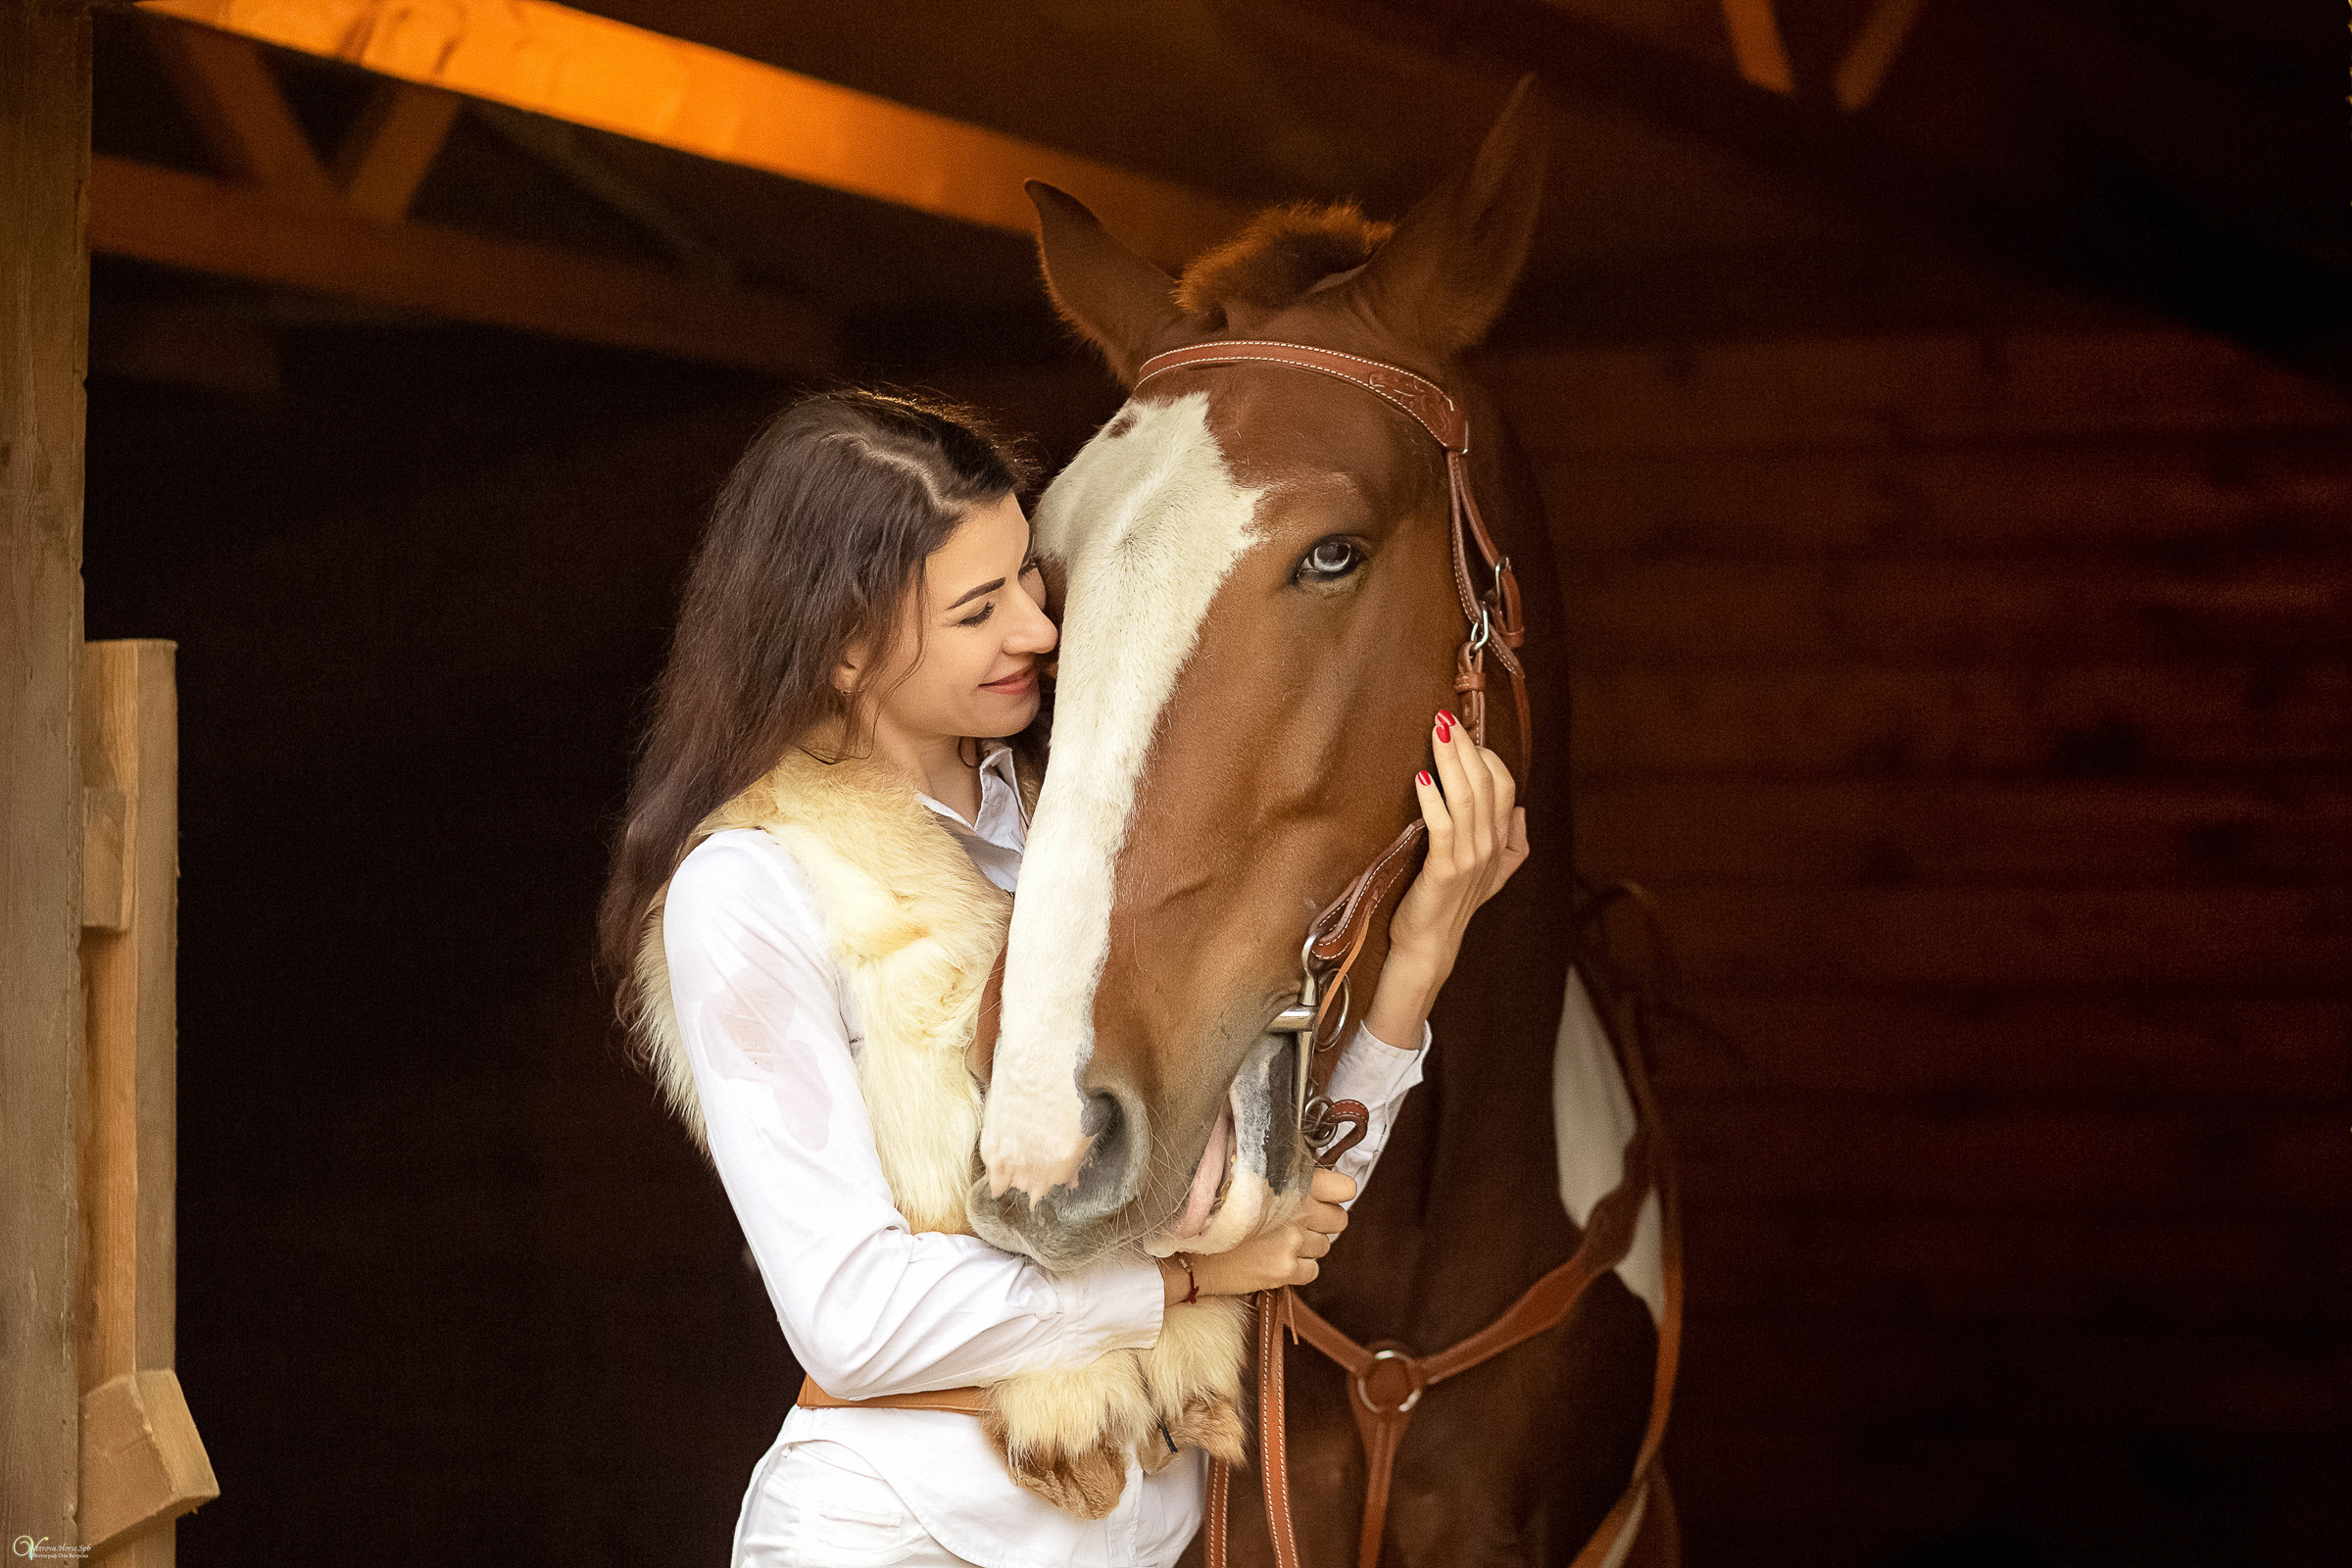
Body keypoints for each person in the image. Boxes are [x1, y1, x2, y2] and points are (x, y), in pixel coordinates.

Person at [597, 389, 1527, 1568]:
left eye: (1031, 583)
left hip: (1147, 1537)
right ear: (843, 644)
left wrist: (1423, 952)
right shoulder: (753, 887)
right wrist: (1177, 1280)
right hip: (899, 1534)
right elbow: (850, 1318)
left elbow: (1283, 1211)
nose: (1040, 630)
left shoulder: (1083, 839)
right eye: (978, 609)